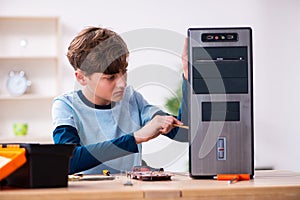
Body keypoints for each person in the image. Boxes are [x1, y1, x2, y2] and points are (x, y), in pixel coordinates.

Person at [51, 26, 189, 175]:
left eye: (124, 72)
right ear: (81, 77)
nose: (122, 83)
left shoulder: (132, 99)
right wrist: (135, 138)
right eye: (110, 78)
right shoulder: (65, 106)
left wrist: (189, 78)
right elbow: (69, 160)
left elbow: (184, 133)